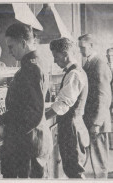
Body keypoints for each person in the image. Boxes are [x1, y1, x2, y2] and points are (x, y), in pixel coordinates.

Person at [1, 23, 52, 178]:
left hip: (28, 142)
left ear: (23, 43)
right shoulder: (36, 62)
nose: (9, 52)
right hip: (34, 139)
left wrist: (6, 126)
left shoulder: (30, 68)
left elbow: (33, 113)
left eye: (11, 47)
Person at [46, 38, 90, 178]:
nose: (54, 61)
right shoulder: (76, 71)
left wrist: (42, 117)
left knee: (74, 170)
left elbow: (63, 104)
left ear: (65, 54)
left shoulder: (74, 73)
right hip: (74, 126)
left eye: (56, 56)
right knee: (73, 169)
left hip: (71, 128)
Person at [78, 34, 112, 178]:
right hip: (90, 118)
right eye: (79, 47)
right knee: (94, 160)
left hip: (97, 120)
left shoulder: (99, 64)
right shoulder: (89, 62)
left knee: (99, 162)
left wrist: (97, 123)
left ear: (92, 46)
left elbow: (103, 96)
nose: (80, 50)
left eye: (83, 47)